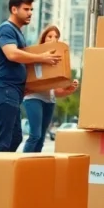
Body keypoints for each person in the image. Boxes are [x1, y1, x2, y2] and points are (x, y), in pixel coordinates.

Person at [0, 0, 61, 152]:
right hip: (4, 89)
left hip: (14, 91)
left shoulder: (17, 32)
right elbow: (12, 54)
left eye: (31, 9)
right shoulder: (6, 29)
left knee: (15, 138)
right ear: (14, 9)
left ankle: (5, 173)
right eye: (26, 9)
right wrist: (41, 57)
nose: (30, 13)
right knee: (3, 140)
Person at [22, 24, 79, 153]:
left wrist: (68, 88)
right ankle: (23, 164)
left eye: (56, 37)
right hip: (33, 98)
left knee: (41, 138)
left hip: (49, 101)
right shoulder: (34, 54)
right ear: (43, 38)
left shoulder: (57, 60)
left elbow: (55, 90)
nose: (53, 39)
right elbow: (28, 81)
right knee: (35, 135)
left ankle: (34, 167)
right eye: (50, 36)